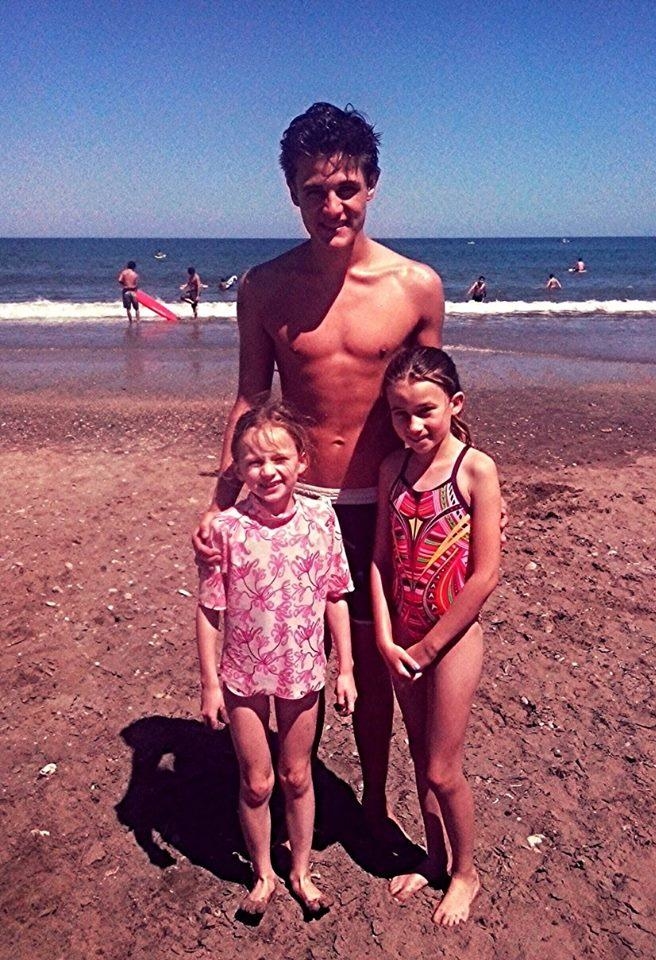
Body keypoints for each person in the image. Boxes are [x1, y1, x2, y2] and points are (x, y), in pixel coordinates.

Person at [193, 102, 445, 836]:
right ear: (292, 193)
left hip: (383, 501)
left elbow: (431, 404)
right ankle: (291, 786)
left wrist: (459, 493)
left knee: (374, 661)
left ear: (372, 185)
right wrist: (220, 501)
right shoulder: (264, 287)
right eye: (313, 191)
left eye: (346, 188)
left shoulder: (415, 287)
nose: (331, 206)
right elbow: (250, 396)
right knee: (281, 656)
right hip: (293, 504)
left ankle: (374, 800)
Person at [196, 400, 357, 917]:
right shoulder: (226, 529)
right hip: (242, 673)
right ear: (239, 469)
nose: (267, 471)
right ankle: (263, 872)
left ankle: (301, 871)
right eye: (253, 462)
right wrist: (210, 684)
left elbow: (335, 595)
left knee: (296, 776)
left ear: (301, 461)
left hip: (303, 669)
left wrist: (346, 668)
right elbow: (209, 610)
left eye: (279, 459)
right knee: (257, 781)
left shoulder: (321, 519)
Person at [371, 346, 501, 927]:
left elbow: (484, 575)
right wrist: (384, 635)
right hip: (403, 638)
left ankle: (466, 872)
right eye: (400, 414)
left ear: (455, 404)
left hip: (451, 642)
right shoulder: (390, 470)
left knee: (445, 769)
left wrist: (428, 648)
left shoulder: (475, 470)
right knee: (421, 758)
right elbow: (379, 561)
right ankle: (434, 856)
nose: (413, 425)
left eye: (425, 411)